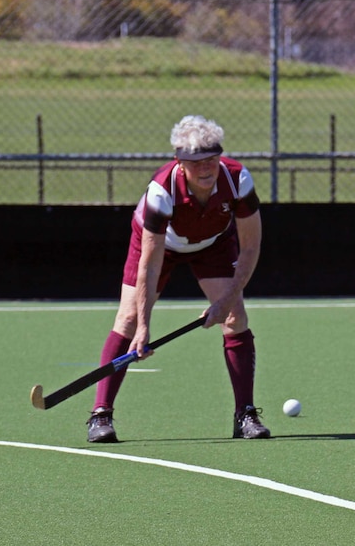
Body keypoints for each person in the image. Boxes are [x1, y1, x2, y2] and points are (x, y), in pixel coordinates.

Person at [86, 115, 270, 442]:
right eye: (195, 162)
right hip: (161, 246)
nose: (205, 168)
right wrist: (144, 326)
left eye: (211, 160)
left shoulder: (238, 179)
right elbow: (151, 264)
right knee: (128, 320)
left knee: (235, 316)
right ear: (179, 162)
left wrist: (225, 301)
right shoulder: (162, 191)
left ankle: (245, 414)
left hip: (214, 243)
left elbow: (252, 246)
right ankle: (101, 415)